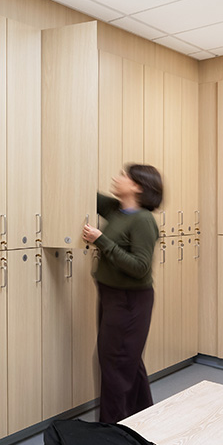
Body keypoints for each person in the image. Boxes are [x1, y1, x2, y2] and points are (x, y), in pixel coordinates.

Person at [81, 164, 163, 424]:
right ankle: (142, 421)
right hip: (110, 296)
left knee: (115, 365)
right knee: (127, 363)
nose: (117, 178)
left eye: (124, 176)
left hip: (130, 301)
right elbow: (82, 191)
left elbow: (140, 267)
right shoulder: (115, 210)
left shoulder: (143, 220)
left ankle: (111, 431)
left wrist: (101, 240)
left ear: (137, 186)